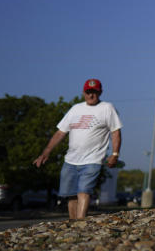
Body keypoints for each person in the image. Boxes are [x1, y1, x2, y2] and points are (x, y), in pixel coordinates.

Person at [34, 78, 122, 219]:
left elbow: (116, 131)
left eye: (94, 92)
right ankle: (73, 224)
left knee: (84, 191)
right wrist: (46, 152)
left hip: (93, 160)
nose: (91, 95)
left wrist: (115, 153)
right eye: (88, 92)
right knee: (71, 194)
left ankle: (80, 223)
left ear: (100, 92)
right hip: (71, 160)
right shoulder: (75, 109)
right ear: (83, 93)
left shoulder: (107, 108)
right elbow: (60, 132)